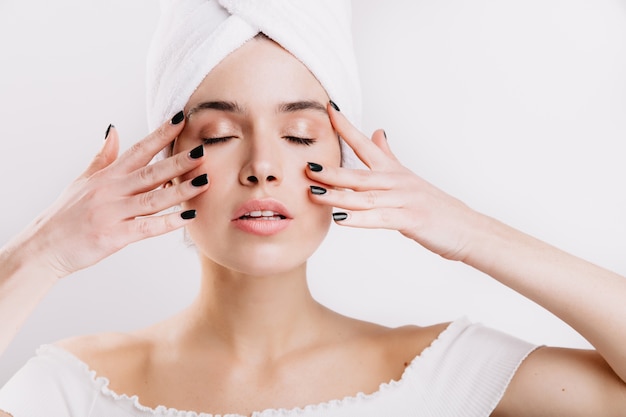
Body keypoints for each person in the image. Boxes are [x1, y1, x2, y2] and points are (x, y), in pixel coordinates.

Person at [1, 0, 626, 415]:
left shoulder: (444, 374)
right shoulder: (69, 388)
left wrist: (466, 230)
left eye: (300, 135)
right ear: (166, 163)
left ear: (344, 160)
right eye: (217, 134)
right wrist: (42, 254)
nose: (263, 164)